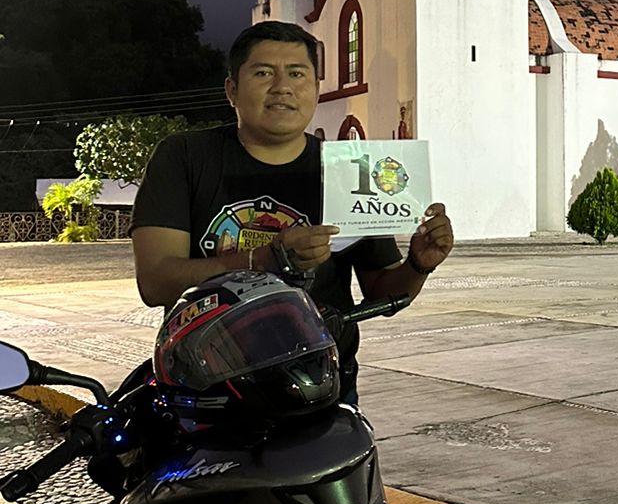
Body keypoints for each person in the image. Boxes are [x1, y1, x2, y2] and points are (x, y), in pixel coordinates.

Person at [132, 21, 453, 406]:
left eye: (298, 73)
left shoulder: (349, 171)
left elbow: (382, 291)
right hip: (209, 390)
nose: (282, 86)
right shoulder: (184, 157)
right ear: (231, 89)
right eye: (264, 72)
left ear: (316, 89)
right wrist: (266, 259)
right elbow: (155, 283)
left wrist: (419, 264)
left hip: (317, 386)